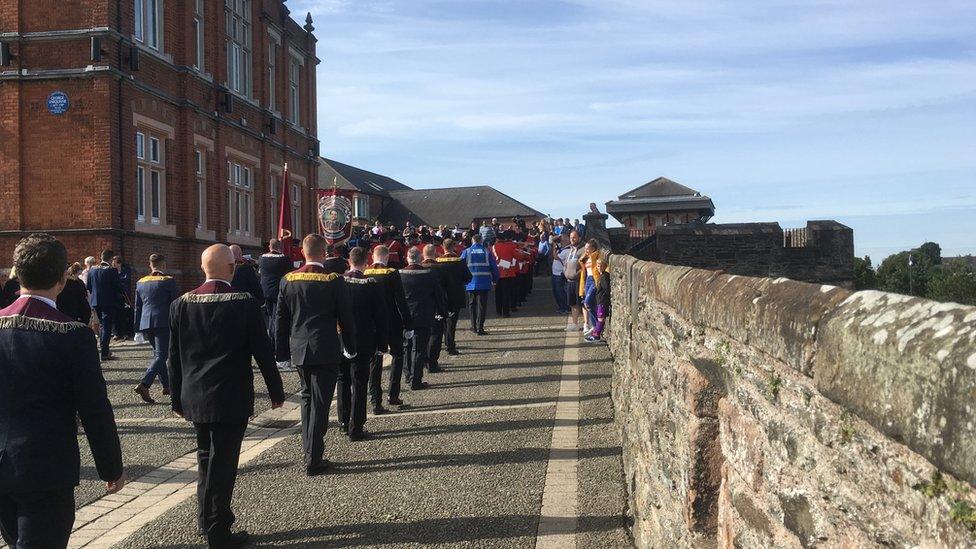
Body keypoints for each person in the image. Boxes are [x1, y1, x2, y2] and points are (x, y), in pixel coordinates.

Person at [0, 234, 125, 549]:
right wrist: (110, 466)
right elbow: (95, 408)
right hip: (46, 467)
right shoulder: (73, 335)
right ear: (63, 278)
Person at [169, 244, 284, 548]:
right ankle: (218, 531)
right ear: (231, 268)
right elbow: (263, 351)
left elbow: (174, 357)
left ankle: (206, 520)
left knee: (206, 458)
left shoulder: (181, 303)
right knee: (224, 464)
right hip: (230, 395)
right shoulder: (244, 303)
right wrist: (276, 390)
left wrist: (175, 399)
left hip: (194, 394)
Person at [275, 235, 355, 476]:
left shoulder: (288, 280)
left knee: (308, 399)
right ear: (323, 254)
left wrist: (281, 352)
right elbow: (346, 317)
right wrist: (350, 346)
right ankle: (314, 457)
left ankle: (309, 450)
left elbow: (280, 319)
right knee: (320, 404)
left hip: (300, 348)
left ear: (303, 253)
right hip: (326, 348)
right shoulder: (333, 280)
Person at [337, 247, 387, 441]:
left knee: (342, 379)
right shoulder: (371, 284)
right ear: (366, 263)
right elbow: (380, 317)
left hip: (341, 338)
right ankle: (356, 426)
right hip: (363, 339)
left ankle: (342, 420)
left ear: (349, 261)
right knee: (359, 382)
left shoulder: (338, 283)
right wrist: (383, 344)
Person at [365, 245, 413, 412]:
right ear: (386, 257)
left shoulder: (365, 273)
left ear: (373, 257)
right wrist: (408, 323)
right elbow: (401, 301)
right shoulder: (392, 273)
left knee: (374, 361)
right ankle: (392, 394)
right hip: (391, 321)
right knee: (397, 356)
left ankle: (375, 401)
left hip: (371, 323)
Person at [132, 254, 177, 404]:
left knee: (158, 354)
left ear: (150, 265)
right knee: (162, 355)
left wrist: (136, 328)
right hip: (163, 321)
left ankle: (167, 386)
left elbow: (137, 307)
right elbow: (174, 305)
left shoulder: (141, 282)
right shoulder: (169, 281)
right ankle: (145, 383)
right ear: (163, 265)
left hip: (146, 322)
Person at [398, 247, 445, 390]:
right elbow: (439, 295)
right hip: (423, 315)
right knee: (419, 349)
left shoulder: (399, 274)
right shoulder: (429, 274)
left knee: (406, 346)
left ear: (407, 258)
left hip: (404, 316)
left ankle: (407, 375)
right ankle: (416, 379)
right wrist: (441, 311)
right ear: (420, 259)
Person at [432, 238, 471, 356]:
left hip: (441, 296)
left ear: (443, 248)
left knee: (440, 322)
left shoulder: (437, 262)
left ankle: (440, 346)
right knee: (452, 323)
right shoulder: (459, 261)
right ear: (453, 247)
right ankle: (450, 345)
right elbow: (468, 277)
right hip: (456, 295)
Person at [87, 249, 125, 361]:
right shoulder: (112, 270)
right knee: (106, 327)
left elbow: (88, 287)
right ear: (110, 259)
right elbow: (118, 287)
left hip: (96, 302)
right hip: (109, 302)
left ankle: (105, 350)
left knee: (103, 326)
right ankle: (104, 353)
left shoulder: (92, 270)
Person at [258, 239, 294, 358]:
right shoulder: (284, 259)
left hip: (265, 292)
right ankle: (275, 345)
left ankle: (271, 345)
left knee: (270, 318)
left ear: (270, 246)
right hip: (278, 292)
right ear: (280, 247)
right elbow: (290, 274)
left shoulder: (261, 259)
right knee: (276, 319)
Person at [460, 233, 498, 335]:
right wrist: (495, 279)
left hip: (470, 283)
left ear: (472, 241)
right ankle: (480, 327)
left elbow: (460, 267)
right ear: (481, 241)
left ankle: (473, 326)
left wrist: (462, 281)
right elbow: (494, 267)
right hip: (484, 282)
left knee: (472, 305)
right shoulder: (486, 251)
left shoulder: (466, 252)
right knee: (482, 306)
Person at [491, 231, 523, 318]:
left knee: (498, 294)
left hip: (497, 273)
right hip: (508, 273)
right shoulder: (511, 246)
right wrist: (507, 264)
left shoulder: (493, 247)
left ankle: (498, 311)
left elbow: (493, 260)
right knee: (506, 294)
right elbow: (519, 257)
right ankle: (505, 312)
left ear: (497, 239)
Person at [560, 231, 584, 331]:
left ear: (579, 238)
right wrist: (566, 273)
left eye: (574, 237)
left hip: (579, 281)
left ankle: (587, 324)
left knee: (582, 304)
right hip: (569, 281)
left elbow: (584, 266)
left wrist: (576, 274)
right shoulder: (570, 249)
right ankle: (574, 324)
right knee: (573, 304)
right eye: (571, 237)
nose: (572, 239)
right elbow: (565, 263)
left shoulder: (583, 250)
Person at [578, 239, 602, 336]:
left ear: (593, 248)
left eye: (588, 248)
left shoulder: (597, 256)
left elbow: (602, 266)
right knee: (589, 304)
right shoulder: (586, 258)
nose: (586, 250)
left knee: (587, 303)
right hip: (587, 280)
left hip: (594, 280)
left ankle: (597, 326)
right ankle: (595, 326)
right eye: (585, 248)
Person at [586, 257, 611, 343]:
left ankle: (596, 335)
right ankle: (596, 333)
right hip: (600, 300)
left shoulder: (604, 276)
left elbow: (606, 289)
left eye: (601, 266)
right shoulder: (601, 275)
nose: (599, 267)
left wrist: (605, 299)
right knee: (599, 317)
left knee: (600, 318)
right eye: (598, 266)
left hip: (602, 301)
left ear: (605, 266)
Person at [111, 256, 134, 341]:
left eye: (115, 263)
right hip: (114, 296)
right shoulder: (112, 271)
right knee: (115, 315)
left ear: (119, 263)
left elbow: (126, 280)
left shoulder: (125, 271)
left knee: (125, 314)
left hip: (124, 295)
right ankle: (116, 333)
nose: (113, 264)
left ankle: (126, 332)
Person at [550, 235, 570, 314]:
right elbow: (552, 240)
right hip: (555, 273)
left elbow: (555, 257)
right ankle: (561, 307)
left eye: (564, 239)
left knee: (560, 292)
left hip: (560, 273)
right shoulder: (562, 247)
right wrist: (559, 236)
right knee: (555, 291)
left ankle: (564, 307)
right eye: (562, 240)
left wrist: (554, 249)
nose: (562, 241)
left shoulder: (567, 250)